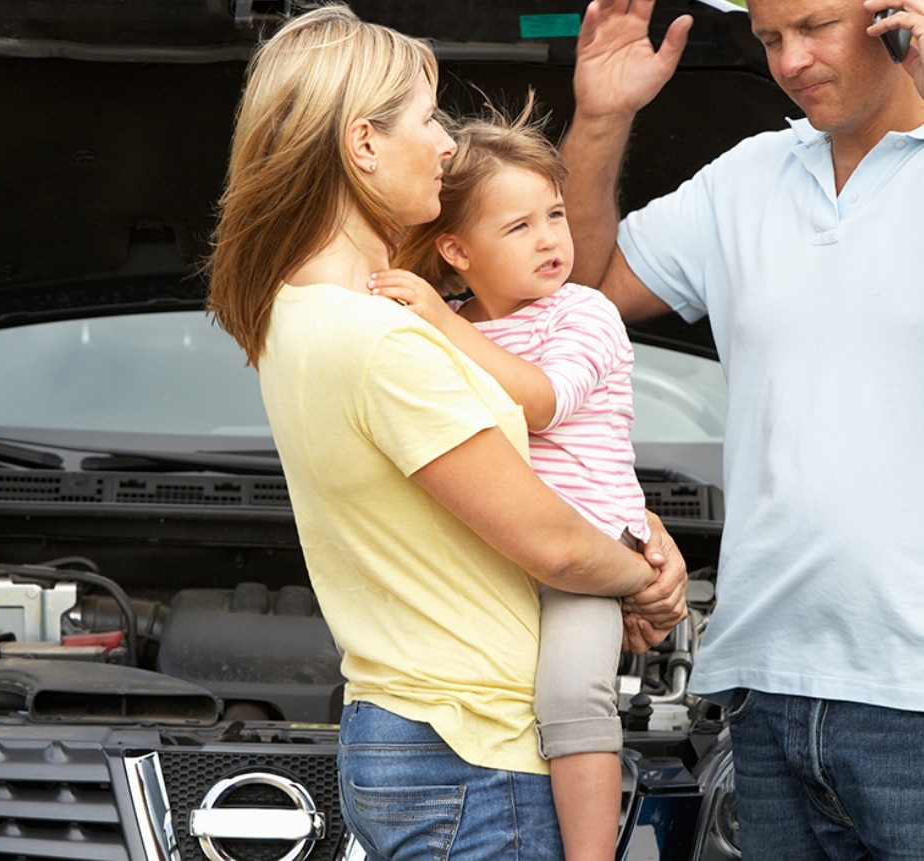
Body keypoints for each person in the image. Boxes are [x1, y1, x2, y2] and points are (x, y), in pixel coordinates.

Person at [205, 4, 688, 858]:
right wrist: (646, 576)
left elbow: (539, 452)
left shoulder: (298, 312)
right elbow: (556, 544)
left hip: (407, 724)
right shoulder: (386, 339)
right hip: (475, 750)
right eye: (427, 119)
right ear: (362, 145)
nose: (444, 144)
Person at [559, 0, 924, 855]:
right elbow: (575, 299)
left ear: (895, 16)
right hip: (765, 683)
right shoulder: (749, 176)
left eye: (815, 28)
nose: (790, 61)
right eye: (768, 39)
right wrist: (603, 118)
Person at [367, 100, 649, 861]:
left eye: (554, 215)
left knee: (570, 696)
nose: (550, 239)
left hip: (584, 550)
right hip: (497, 554)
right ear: (456, 250)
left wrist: (441, 321)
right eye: (517, 226)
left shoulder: (583, 314)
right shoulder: (441, 319)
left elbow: (545, 401)